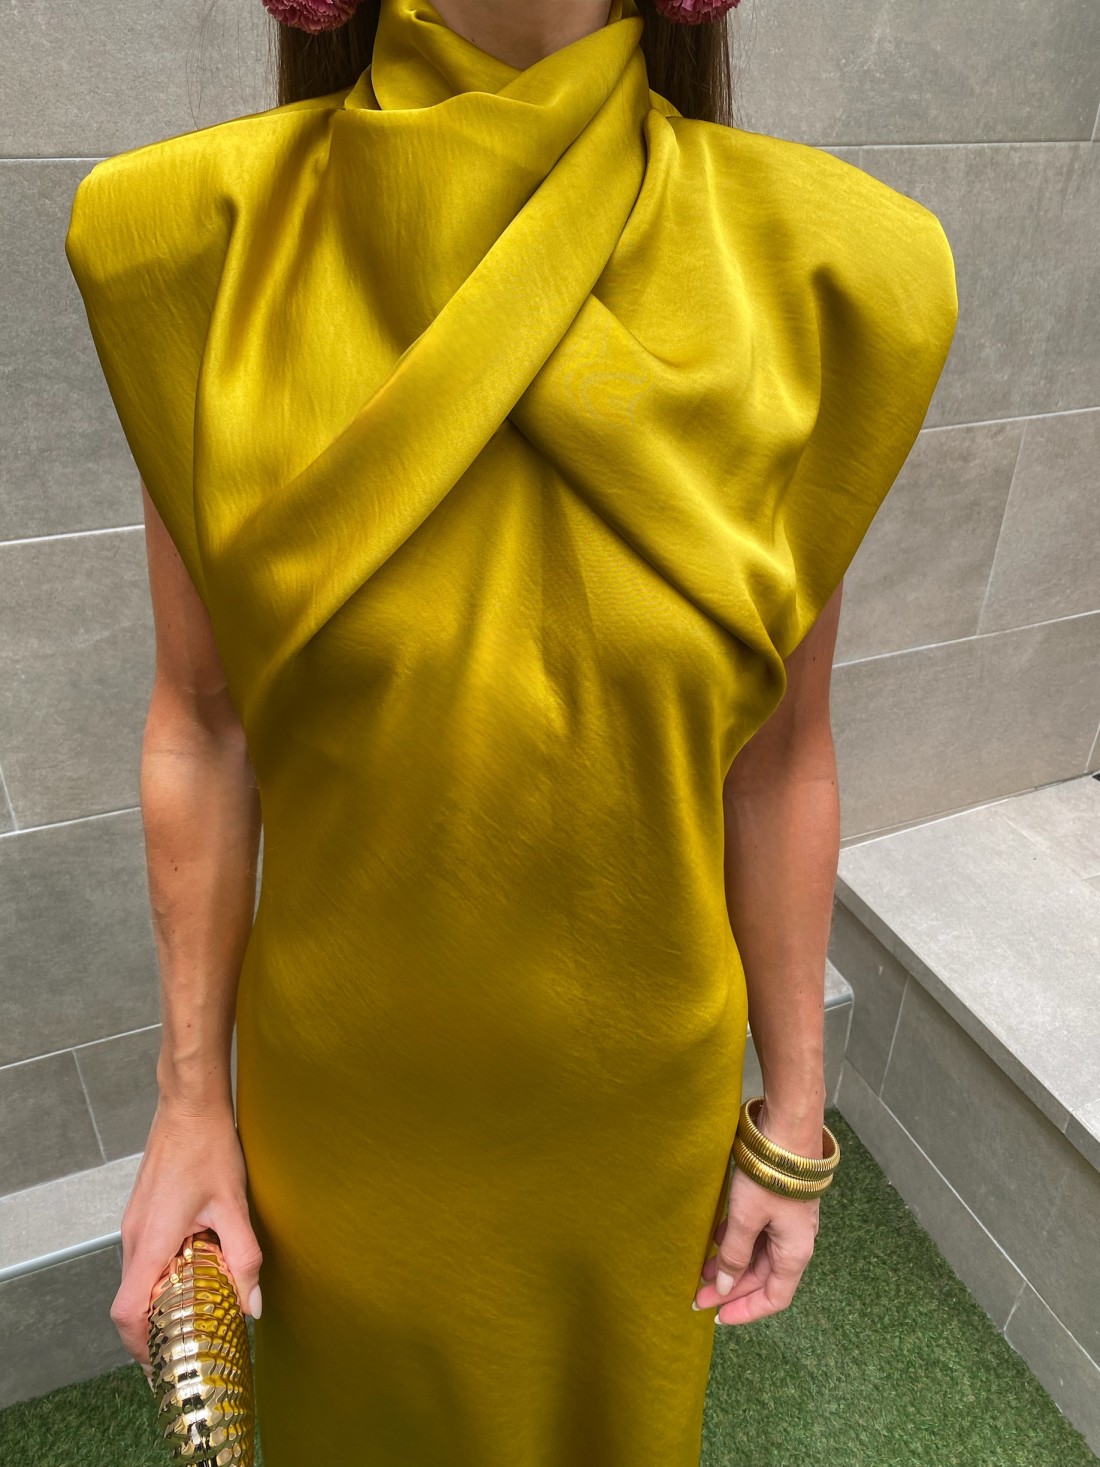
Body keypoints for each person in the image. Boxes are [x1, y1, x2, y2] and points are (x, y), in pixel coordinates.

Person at [63, 0, 958, 1461]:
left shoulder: (835, 276)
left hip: (638, 1122)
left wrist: (794, 1113)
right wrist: (184, 1103)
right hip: (344, 1121)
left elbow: (783, 755)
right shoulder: (193, 246)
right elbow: (202, 722)